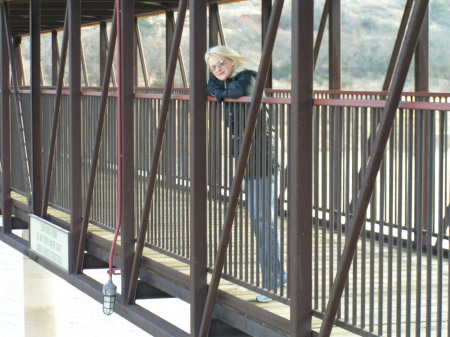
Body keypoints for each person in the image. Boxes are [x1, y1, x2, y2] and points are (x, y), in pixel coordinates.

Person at [205, 45, 286, 303]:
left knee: (263, 220)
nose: (217, 69)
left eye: (220, 63)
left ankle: (274, 282)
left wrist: (220, 92)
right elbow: (211, 87)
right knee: (257, 219)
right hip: (247, 159)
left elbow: (235, 92)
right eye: (213, 66)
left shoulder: (248, 76)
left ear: (231, 59)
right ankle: (277, 276)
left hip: (262, 158)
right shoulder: (226, 82)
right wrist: (219, 90)